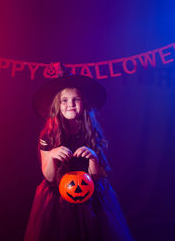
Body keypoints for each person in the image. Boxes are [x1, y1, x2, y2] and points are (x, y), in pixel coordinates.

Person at [24, 70, 133, 241]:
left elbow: (96, 176)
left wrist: (93, 158)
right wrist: (51, 155)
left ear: (84, 103)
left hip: (89, 191)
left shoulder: (92, 133)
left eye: (76, 99)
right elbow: (49, 176)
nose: (71, 104)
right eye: (64, 100)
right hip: (58, 194)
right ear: (57, 105)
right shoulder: (48, 136)